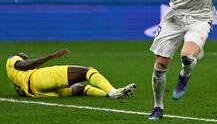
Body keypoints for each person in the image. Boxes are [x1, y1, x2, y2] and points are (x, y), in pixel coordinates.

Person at [6, 49, 136, 98]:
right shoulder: (12, 60)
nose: (25, 57)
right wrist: (51, 56)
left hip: (37, 92)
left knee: (80, 88)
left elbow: (27, 66)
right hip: (36, 79)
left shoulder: (15, 78)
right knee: (87, 71)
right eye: (23, 56)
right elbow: (27, 65)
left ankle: (109, 94)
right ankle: (112, 91)